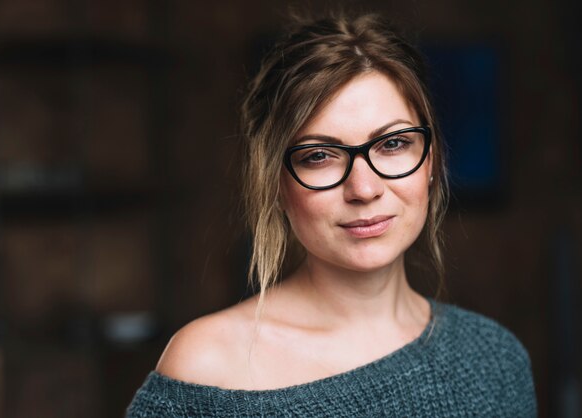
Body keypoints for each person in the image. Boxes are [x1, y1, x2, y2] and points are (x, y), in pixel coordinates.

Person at [126, 11, 537, 417]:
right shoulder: (208, 369)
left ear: (431, 161)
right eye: (319, 156)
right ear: (276, 185)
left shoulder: (494, 360)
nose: (363, 188)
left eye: (392, 144)